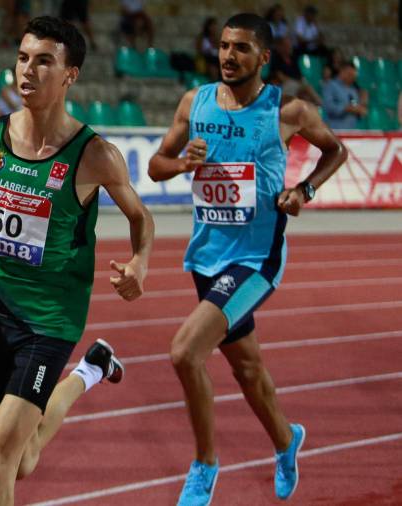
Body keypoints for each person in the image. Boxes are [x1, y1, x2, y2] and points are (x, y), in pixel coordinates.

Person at [0, 16, 154, 505]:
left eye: (43, 62)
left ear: (70, 75)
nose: (26, 71)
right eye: (21, 58)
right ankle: (90, 371)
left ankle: (80, 362)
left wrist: (140, 262)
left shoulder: (94, 154)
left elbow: (142, 218)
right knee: (22, 460)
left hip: (49, 321)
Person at [147, 13, 348, 505]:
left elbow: (335, 151)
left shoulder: (289, 111)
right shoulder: (195, 102)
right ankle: (286, 440)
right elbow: (155, 167)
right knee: (248, 371)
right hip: (207, 256)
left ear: (264, 57)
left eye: (240, 48)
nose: (228, 56)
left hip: (257, 257)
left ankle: (204, 464)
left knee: (184, 352)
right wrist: (182, 164)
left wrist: (304, 190)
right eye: (223, 46)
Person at [268, 36, 321, 105]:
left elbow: (299, 74)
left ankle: (317, 105)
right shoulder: (276, 59)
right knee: (301, 90)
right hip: (285, 84)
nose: (290, 47)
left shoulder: (293, 58)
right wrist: (297, 83)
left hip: (297, 83)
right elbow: (280, 77)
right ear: (281, 47)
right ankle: (319, 103)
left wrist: (299, 82)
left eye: (290, 45)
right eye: (287, 45)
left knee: (306, 92)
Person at [322, 61, 367, 130]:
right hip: (335, 131)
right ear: (342, 72)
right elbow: (328, 107)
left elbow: (358, 111)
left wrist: (362, 106)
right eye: (349, 74)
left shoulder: (353, 90)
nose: (352, 78)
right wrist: (346, 108)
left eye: (354, 76)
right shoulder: (331, 86)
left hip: (351, 131)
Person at [195, 17, 219, 81]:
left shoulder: (216, 38)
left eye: (215, 26)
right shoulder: (202, 37)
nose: (214, 28)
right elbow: (199, 50)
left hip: (215, 57)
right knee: (213, 67)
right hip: (205, 57)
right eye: (212, 26)